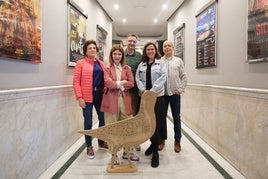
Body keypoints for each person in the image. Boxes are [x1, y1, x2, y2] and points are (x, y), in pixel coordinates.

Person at [101, 44, 139, 162]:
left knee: (128, 126)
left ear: (122, 55)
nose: (117, 56)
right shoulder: (107, 69)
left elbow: (132, 83)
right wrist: (121, 83)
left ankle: (128, 152)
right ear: (112, 55)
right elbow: (108, 83)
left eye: (119, 54)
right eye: (115, 54)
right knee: (112, 128)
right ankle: (114, 154)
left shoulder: (127, 68)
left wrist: (119, 85)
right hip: (111, 101)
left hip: (125, 100)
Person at [73, 40, 108, 159]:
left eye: (94, 48)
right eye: (90, 48)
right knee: (88, 121)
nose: (92, 50)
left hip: (100, 96)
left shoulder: (101, 63)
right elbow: (76, 82)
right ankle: (89, 146)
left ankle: (101, 141)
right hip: (87, 96)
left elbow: (106, 78)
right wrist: (80, 97)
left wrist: (106, 87)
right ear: (85, 51)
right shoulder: (80, 63)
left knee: (103, 119)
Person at [135, 42, 167, 168]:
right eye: (148, 49)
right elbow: (137, 78)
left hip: (157, 97)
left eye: (152, 49)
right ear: (145, 51)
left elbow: (163, 77)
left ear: (155, 50)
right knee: (147, 124)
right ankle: (152, 144)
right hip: (144, 97)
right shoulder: (141, 64)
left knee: (156, 123)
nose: (150, 51)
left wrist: (152, 90)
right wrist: (143, 90)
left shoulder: (161, 63)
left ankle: (155, 153)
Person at [160, 40, 187, 153]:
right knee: (161, 118)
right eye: (165, 46)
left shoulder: (178, 61)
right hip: (162, 95)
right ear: (163, 49)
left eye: (169, 46)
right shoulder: (159, 61)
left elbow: (184, 76)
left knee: (176, 118)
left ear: (173, 47)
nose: (167, 48)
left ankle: (177, 141)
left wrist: (180, 89)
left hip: (174, 95)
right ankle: (162, 140)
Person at [124, 34, 142, 151]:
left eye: (134, 42)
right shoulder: (121, 54)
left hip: (135, 91)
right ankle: (125, 140)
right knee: (124, 116)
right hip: (123, 91)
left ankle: (136, 141)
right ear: (126, 41)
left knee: (135, 116)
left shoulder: (139, 56)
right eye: (130, 41)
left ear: (136, 43)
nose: (131, 43)